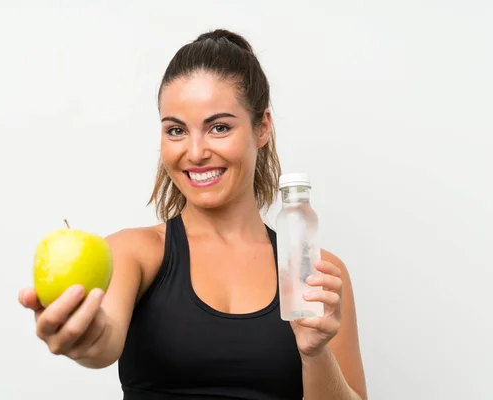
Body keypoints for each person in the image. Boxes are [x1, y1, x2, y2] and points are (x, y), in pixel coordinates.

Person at [19, 29, 367, 400]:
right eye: (176, 130)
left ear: (262, 127)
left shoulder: (315, 273)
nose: (196, 151)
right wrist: (84, 336)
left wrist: (315, 353)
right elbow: (102, 341)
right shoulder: (134, 252)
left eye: (219, 127)